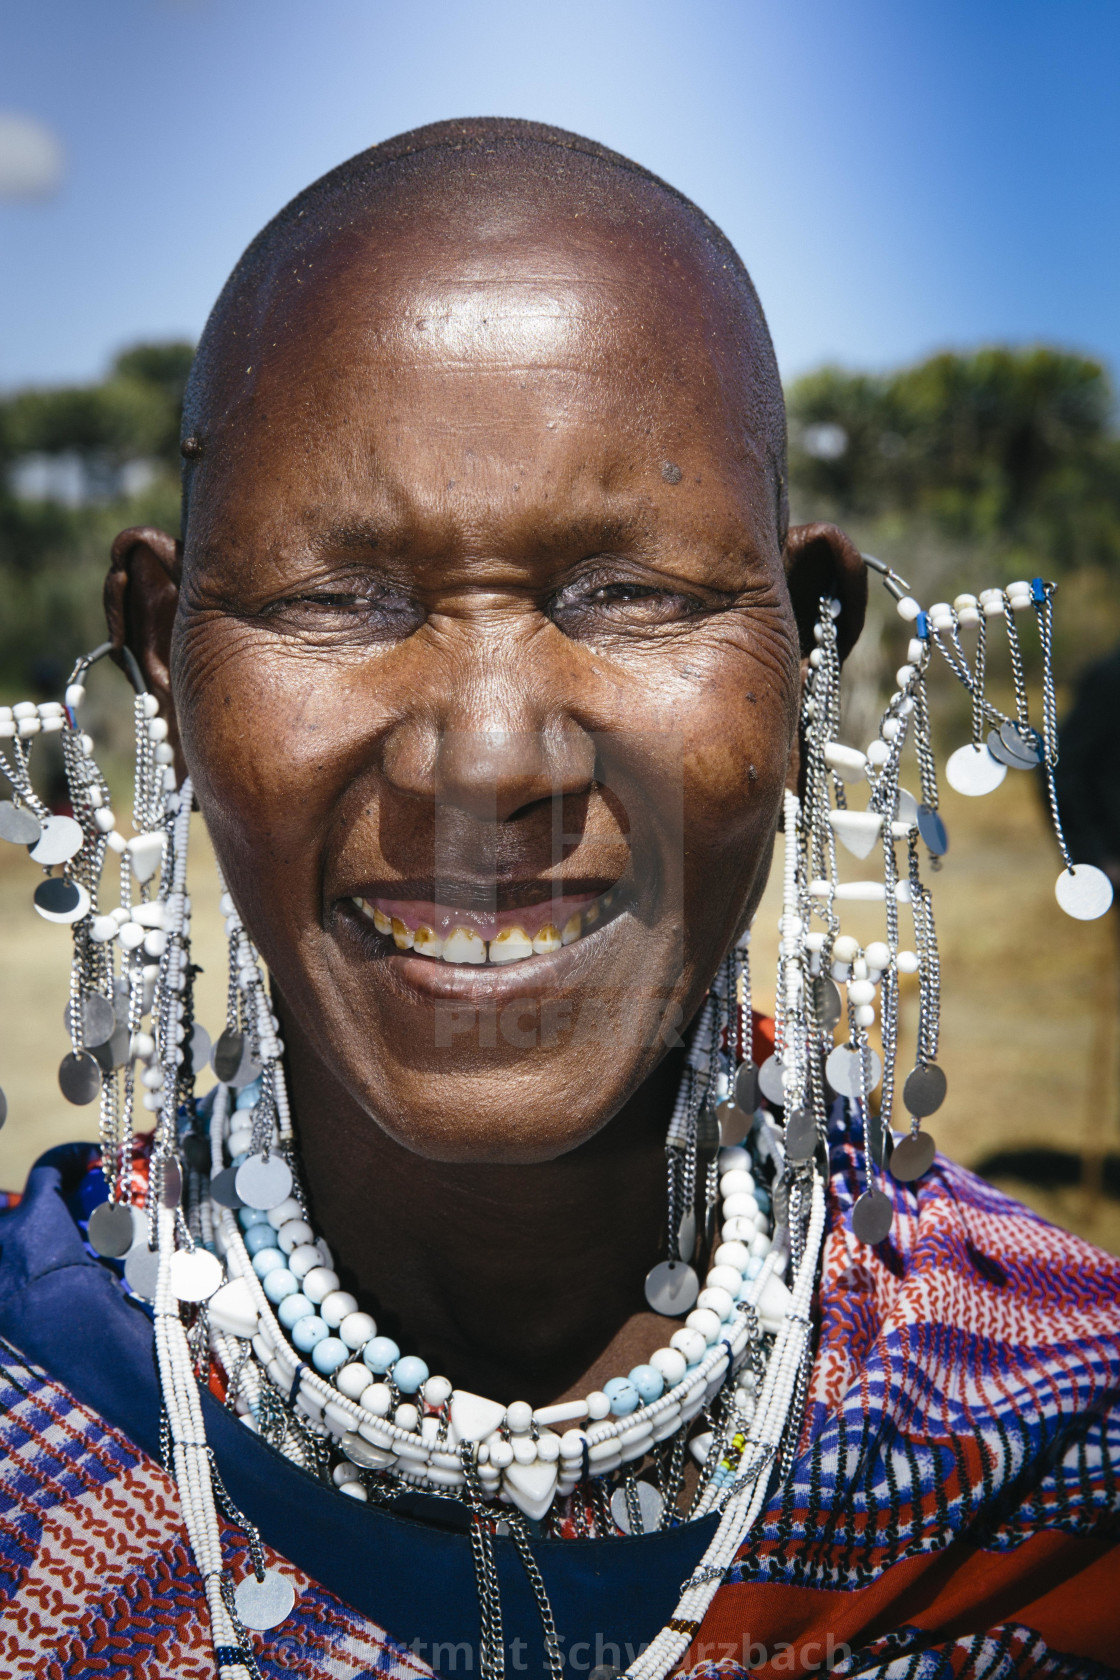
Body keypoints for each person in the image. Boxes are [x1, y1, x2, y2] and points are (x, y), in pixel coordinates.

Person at [1, 118, 1117, 1680]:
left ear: (807, 652)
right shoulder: (33, 1401)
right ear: (168, 662)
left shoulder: (1057, 1438)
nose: (491, 756)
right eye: (340, 598)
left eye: (629, 595)